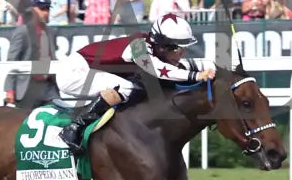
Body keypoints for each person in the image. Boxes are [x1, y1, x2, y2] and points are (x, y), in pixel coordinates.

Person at [56, 13, 216, 155]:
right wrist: (196, 76)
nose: (182, 54)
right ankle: (74, 128)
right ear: (162, 46)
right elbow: (159, 70)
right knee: (127, 88)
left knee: (136, 89)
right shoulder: (138, 46)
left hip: (87, 71)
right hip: (74, 73)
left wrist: (212, 71)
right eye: (178, 49)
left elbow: (178, 68)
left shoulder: (153, 49)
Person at [4, 0, 59, 109]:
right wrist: (9, 89)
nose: (46, 13)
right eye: (42, 9)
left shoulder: (51, 32)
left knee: (59, 119)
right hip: (28, 87)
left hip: (48, 87)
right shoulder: (22, 32)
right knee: (25, 124)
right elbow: (12, 61)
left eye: (47, 9)